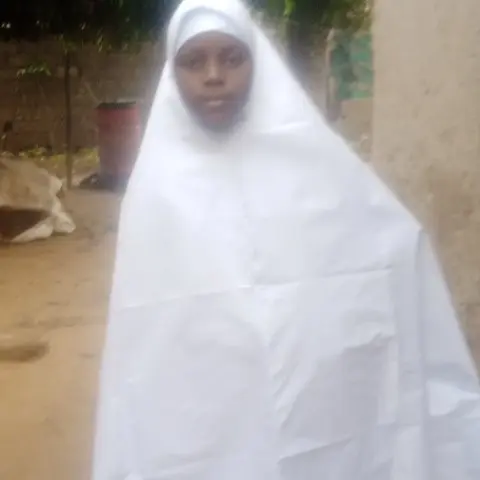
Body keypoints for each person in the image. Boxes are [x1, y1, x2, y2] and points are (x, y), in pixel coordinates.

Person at [92, 1, 480, 479]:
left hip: (316, 414)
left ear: (258, 61)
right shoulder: (155, 198)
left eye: (232, 58)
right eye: (193, 61)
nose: (214, 76)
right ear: (173, 73)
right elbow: (144, 341)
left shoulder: (318, 169)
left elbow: (389, 250)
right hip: (206, 422)